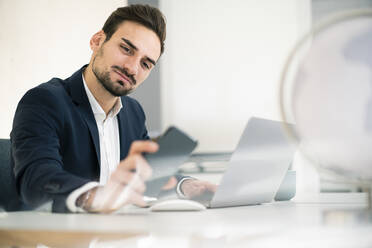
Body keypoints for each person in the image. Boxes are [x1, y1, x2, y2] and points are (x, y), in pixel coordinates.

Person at [10, 4, 216, 213]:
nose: (132, 68)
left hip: (117, 236)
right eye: (126, 49)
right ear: (97, 41)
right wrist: (96, 196)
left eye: (145, 64)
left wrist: (187, 186)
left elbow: (149, 174)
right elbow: (36, 178)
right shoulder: (44, 101)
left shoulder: (133, 113)